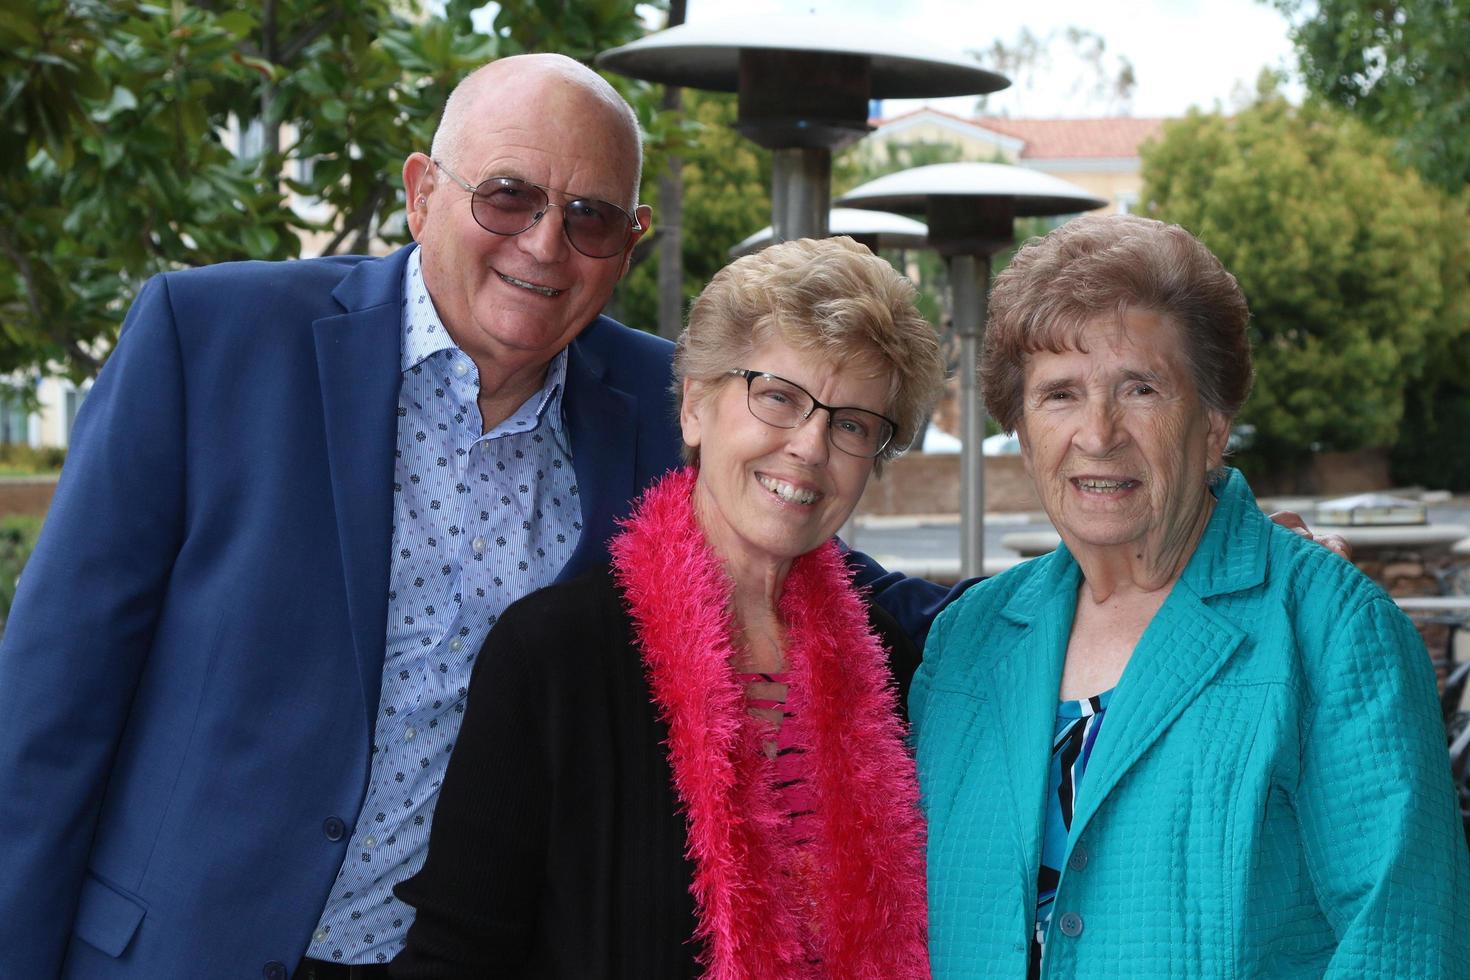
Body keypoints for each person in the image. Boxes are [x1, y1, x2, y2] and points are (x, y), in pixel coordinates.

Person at [912, 214, 1470, 978]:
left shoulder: (1330, 629)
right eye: (1060, 395)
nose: (1098, 432)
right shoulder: (965, 642)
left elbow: (1403, 942)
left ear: (1212, 425)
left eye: (1140, 388)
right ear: (1020, 428)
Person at [389, 237, 940, 979]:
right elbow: (457, 958)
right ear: (695, 407)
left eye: (851, 424)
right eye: (778, 397)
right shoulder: (553, 658)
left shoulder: (893, 667)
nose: (810, 446)